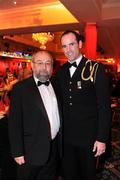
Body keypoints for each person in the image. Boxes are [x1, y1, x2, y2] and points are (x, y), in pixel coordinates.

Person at [56, 30, 111, 180]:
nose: (68, 50)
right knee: (68, 174)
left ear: (80, 44)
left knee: (87, 175)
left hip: (89, 138)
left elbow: (104, 107)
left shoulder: (95, 68)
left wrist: (101, 138)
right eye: (64, 46)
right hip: (67, 138)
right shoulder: (60, 72)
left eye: (72, 44)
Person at [8, 50, 61, 180]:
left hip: (53, 149)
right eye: (40, 63)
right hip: (29, 152)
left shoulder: (56, 84)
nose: (44, 67)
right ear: (32, 65)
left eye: (48, 63)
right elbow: (14, 123)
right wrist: (17, 152)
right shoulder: (20, 89)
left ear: (52, 65)